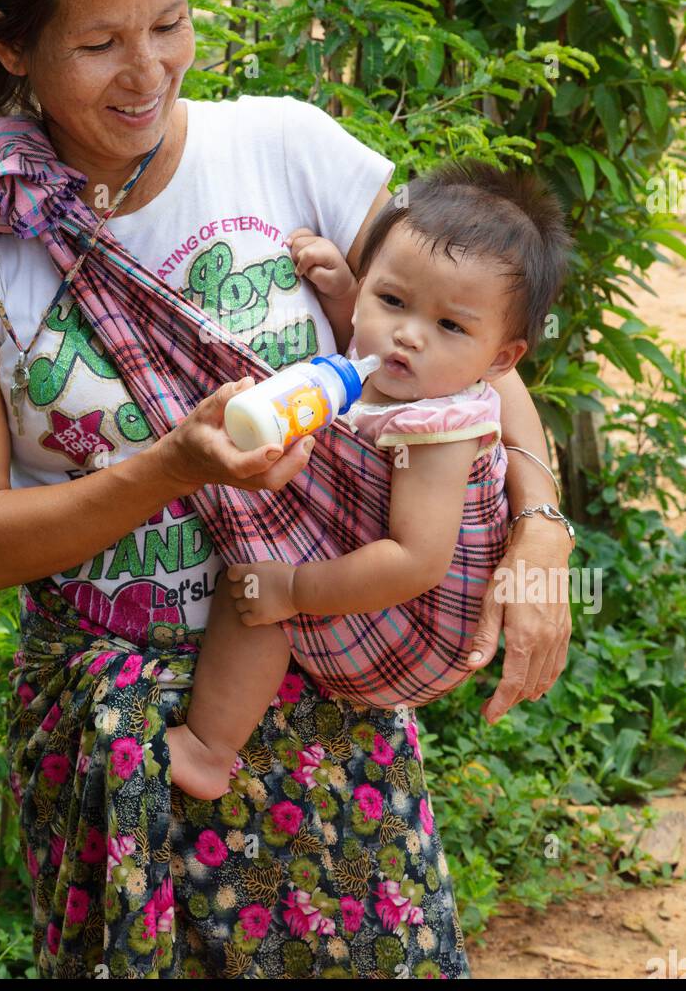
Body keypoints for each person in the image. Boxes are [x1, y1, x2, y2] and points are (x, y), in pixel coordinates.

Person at [0, 0, 575, 980]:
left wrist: (541, 529)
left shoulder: (286, 149)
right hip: (128, 738)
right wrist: (171, 467)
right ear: (9, 43)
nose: (150, 71)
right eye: (100, 42)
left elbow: (461, 344)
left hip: (324, 690)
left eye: (169, 24)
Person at [167, 161, 574, 800]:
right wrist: (338, 294)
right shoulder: (408, 372)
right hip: (380, 575)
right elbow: (361, 365)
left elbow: (416, 561)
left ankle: (208, 749)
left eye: (450, 326)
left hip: (418, 622)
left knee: (251, 593)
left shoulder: (444, 426)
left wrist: (295, 588)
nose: (407, 335)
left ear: (499, 360)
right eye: (391, 300)